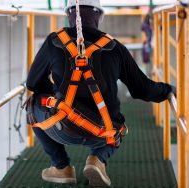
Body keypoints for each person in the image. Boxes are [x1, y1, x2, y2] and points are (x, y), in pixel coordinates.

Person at [25, 0, 175, 186]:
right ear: (99, 16)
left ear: (69, 15)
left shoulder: (54, 41)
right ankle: (98, 159)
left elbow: (33, 83)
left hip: (62, 128)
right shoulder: (114, 47)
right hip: (104, 133)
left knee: (32, 104)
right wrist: (168, 90)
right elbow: (142, 89)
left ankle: (61, 167)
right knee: (117, 125)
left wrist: (57, 96)